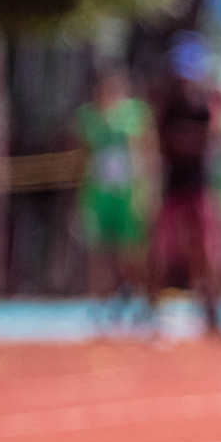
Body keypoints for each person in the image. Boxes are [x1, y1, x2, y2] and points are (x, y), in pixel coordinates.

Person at [149, 33, 221, 338]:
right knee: (161, 252)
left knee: (205, 253)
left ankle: (213, 313)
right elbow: (165, 143)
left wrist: (186, 141)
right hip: (173, 187)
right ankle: (155, 313)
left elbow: (206, 140)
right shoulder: (170, 104)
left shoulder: (202, 106)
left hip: (198, 187)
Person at [74, 64, 158, 332]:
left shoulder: (136, 115)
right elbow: (81, 158)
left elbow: (148, 153)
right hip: (98, 195)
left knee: (132, 255)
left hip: (129, 194)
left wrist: (149, 192)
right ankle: (101, 308)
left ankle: (143, 303)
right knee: (99, 255)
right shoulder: (88, 117)